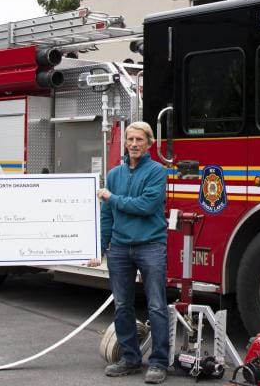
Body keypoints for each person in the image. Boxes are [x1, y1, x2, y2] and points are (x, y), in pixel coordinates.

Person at [87, 122, 169, 384]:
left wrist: (111, 197)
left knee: (156, 306)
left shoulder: (157, 172)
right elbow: (107, 215)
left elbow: (146, 206)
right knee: (122, 305)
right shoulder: (114, 175)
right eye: (130, 139)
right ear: (125, 142)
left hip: (151, 246)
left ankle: (159, 362)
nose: (134, 144)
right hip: (120, 248)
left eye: (139, 140)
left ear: (149, 143)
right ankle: (130, 359)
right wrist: (99, 249)